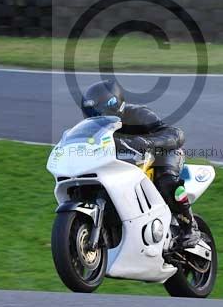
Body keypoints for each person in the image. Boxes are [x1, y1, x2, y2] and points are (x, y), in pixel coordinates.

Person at [81, 78, 201, 248]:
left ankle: (190, 227)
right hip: (125, 167)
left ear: (114, 105)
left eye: (98, 113)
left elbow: (175, 134)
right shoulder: (93, 132)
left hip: (161, 155)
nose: (96, 118)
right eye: (91, 114)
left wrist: (145, 142)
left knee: (166, 181)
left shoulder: (138, 115)